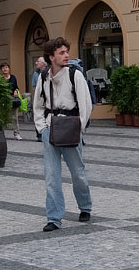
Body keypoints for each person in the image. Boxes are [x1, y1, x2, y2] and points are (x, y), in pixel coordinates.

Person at [34, 36, 93, 231]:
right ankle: (54, 218)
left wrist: (79, 128)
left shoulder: (74, 75)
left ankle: (85, 206)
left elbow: (85, 104)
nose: (66, 55)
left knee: (78, 173)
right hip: (50, 128)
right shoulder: (44, 76)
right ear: (51, 57)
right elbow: (38, 105)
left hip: (71, 127)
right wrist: (42, 128)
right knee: (51, 176)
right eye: (62, 53)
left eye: (67, 52)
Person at [1, 62, 22, 140]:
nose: (5, 69)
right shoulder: (0, 79)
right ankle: (2, 132)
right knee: (3, 117)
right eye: (3, 68)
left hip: (13, 100)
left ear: (9, 69)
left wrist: (16, 90)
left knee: (15, 117)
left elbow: (16, 87)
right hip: (4, 100)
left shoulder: (13, 77)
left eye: (6, 67)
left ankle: (16, 133)